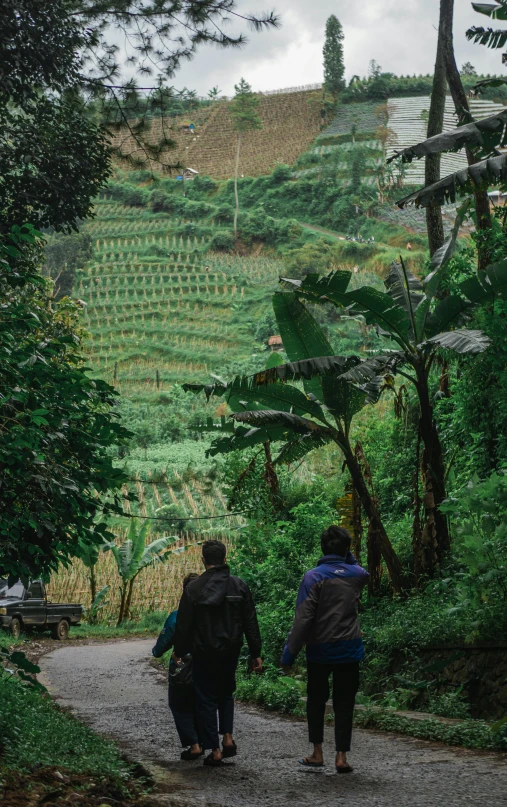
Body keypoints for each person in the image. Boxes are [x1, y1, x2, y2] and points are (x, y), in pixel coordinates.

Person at [281, 526, 369, 774]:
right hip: (350, 650)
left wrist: (289, 655)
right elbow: (359, 568)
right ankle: (341, 757)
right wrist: (346, 556)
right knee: (344, 703)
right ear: (346, 549)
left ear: (322, 548)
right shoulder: (357, 575)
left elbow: (303, 621)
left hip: (319, 651)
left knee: (316, 701)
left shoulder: (313, 577)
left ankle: (317, 753)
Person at [173, 540, 262, 767]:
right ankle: (228, 738)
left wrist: (179, 652)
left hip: (203, 652)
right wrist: (255, 653)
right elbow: (250, 622)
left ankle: (215, 750)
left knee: (205, 698)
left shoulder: (193, 589)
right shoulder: (239, 586)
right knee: (226, 692)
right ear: (225, 558)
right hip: (231, 650)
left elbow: (183, 626)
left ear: (203, 560)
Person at [152, 573, 202, 760]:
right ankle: (207, 742)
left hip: (183, 666)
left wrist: (157, 651)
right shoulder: (210, 615)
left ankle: (194, 744)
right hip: (206, 664)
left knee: (179, 704)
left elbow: (160, 647)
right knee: (202, 703)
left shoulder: (176, 617)